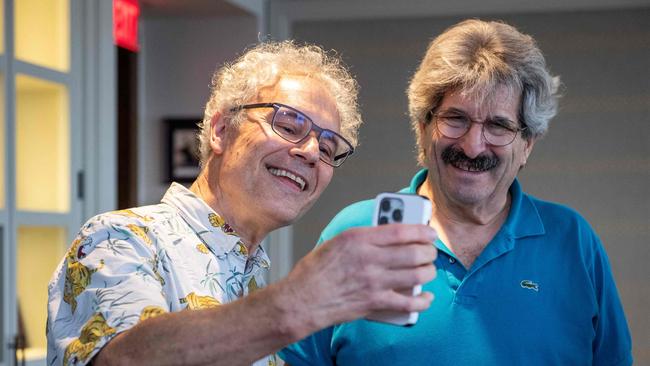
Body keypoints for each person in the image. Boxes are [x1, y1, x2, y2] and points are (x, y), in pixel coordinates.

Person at [46, 41, 438, 366]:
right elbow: (123, 360)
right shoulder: (120, 237)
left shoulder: (253, 280)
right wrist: (297, 303)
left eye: (328, 147)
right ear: (220, 130)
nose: (310, 151)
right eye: (288, 125)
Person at [280, 19, 632, 365]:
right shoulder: (356, 232)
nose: (473, 146)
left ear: (527, 144)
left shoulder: (573, 241)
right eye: (455, 119)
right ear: (422, 127)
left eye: (498, 125)